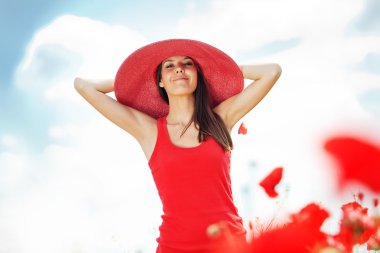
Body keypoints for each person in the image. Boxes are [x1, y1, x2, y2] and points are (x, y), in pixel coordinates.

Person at [74, 39, 282, 253]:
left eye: (187, 64)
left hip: (229, 244)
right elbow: (83, 86)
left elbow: (272, 72)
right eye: (169, 66)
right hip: (174, 247)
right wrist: (128, 82)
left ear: (198, 76)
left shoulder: (221, 118)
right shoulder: (149, 131)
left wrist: (225, 69)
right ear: (160, 81)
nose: (179, 69)